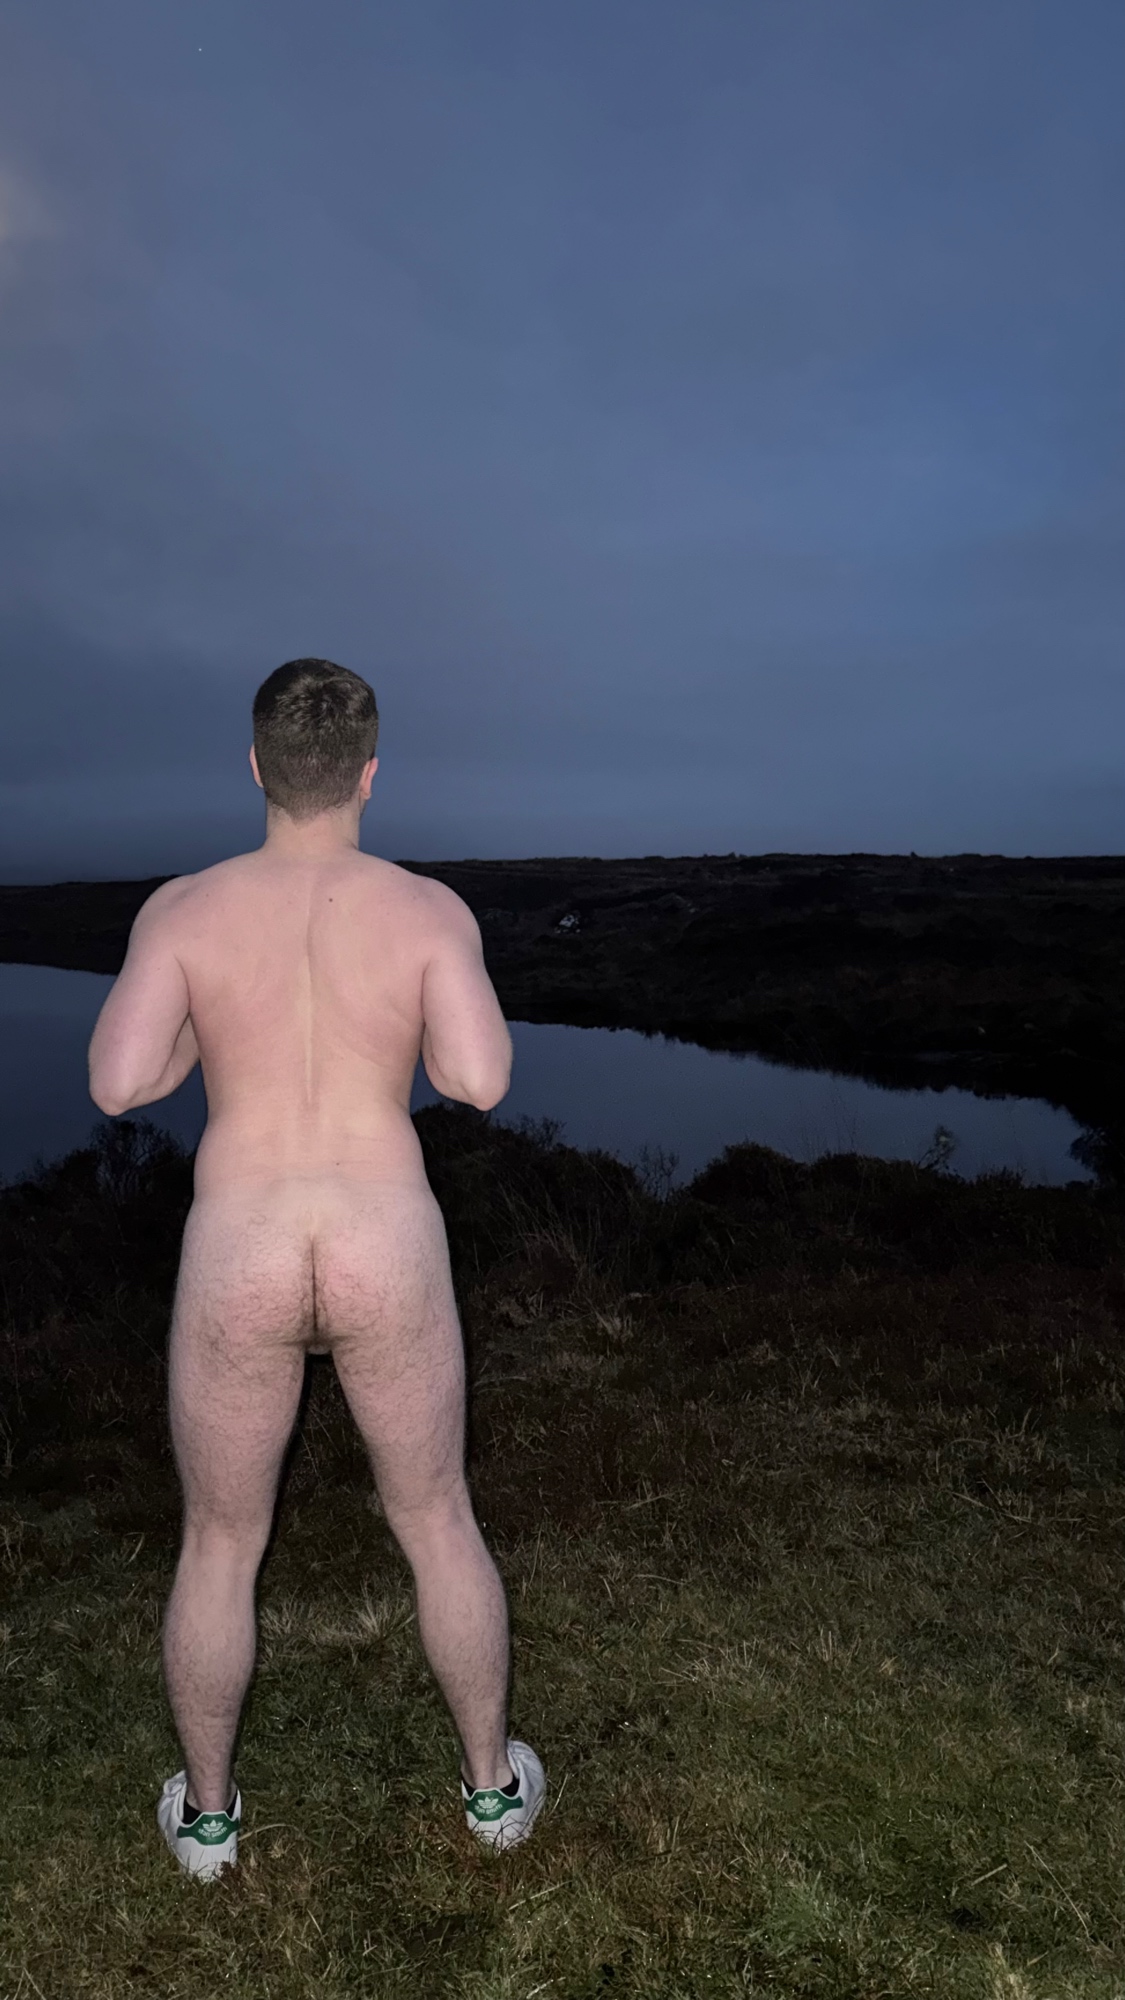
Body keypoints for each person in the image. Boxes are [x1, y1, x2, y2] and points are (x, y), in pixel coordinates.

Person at [88, 657, 545, 1881]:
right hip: (384, 1235)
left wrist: (201, 1039)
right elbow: (478, 1077)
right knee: (436, 1516)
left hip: (240, 1242)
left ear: (257, 766)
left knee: (220, 1538)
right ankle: (491, 1792)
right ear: (369, 775)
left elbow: (119, 1081)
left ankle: (210, 1821)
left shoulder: (184, 908)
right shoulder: (428, 909)